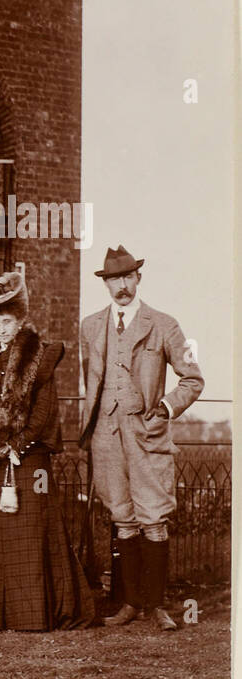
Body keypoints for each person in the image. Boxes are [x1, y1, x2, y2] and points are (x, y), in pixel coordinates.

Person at [0, 271, 95, 630]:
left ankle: (33, 613)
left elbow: (43, 410)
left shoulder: (39, 356)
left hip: (27, 458)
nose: (1, 328)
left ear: (19, 321)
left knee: (29, 533)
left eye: (7, 322)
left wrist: (17, 444)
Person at [79, 245, 203, 630]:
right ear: (106, 284)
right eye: (113, 279)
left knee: (153, 519)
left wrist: (165, 408)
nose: (121, 286)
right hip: (106, 435)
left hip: (146, 434)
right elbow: (92, 381)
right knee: (123, 517)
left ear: (138, 278)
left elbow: (193, 379)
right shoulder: (90, 326)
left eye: (127, 277)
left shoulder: (164, 324)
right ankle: (131, 604)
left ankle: (158, 605)